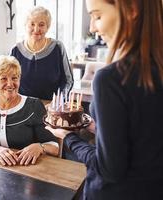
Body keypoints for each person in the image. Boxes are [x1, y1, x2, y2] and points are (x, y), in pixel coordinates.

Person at [46, 0, 163, 199]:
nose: (91, 27)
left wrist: (68, 137)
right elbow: (143, 137)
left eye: (97, 16)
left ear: (132, 9)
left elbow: (109, 169)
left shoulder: (110, 79)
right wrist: (95, 126)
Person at [10, 6, 73, 100]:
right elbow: (10, 82)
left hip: (52, 107)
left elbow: (68, 80)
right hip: (23, 107)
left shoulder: (58, 47)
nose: (36, 29)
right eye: (32, 24)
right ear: (25, 25)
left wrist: (59, 102)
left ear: (47, 27)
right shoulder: (15, 50)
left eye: (41, 25)